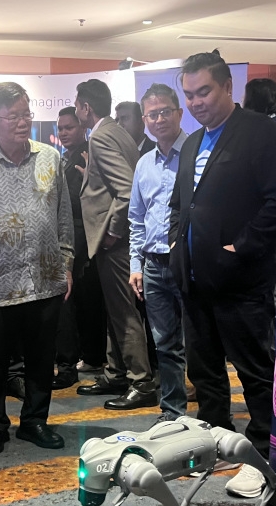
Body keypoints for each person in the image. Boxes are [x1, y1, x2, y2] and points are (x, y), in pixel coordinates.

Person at [169, 50, 276, 497]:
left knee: (255, 372)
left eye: (204, 91)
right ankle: (216, 443)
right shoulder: (191, 143)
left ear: (227, 87)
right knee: (205, 373)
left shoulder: (260, 132)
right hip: (194, 279)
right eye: (189, 94)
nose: (196, 102)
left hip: (241, 280)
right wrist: (177, 244)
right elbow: (182, 204)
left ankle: (263, 455)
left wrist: (241, 247)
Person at [0, 82, 73, 456]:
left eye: (26, 114)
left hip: (45, 277)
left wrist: (67, 263)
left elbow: (64, 217)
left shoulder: (50, 158)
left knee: (41, 358)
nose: (23, 122)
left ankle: (35, 421)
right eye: (13, 116)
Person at [75, 79, 156, 407]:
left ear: (86, 107)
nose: (77, 111)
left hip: (116, 241)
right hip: (121, 240)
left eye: (77, 105)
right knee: (116, 308)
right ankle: (116, 373)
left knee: (123, 311)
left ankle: (142, 381)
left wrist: (112, 231)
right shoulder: (117, 131)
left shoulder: (102, 136)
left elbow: (126, 189)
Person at [128, 84, 188, 421]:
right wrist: (135, 265)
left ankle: (213, 415)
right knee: (165, 344)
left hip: (188, 263)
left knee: (201, 345)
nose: (160, 119)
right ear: (145, 120)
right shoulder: (143, 164)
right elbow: (136, 218)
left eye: (166, 111)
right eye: (153, 114)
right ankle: (173, 412)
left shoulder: (196, 154)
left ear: (179, 113)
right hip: (153, 265)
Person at [52, 106, 106, 388]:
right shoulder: (64, 158)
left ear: (82, 128)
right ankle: (86, 356)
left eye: (69, 127)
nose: (63, 133)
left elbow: (77, 201)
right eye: (60, 128)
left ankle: (84, 358)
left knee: (83, 302)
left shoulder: (87, 155)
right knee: (79, 302)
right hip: (70, 237)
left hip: (84, 239)